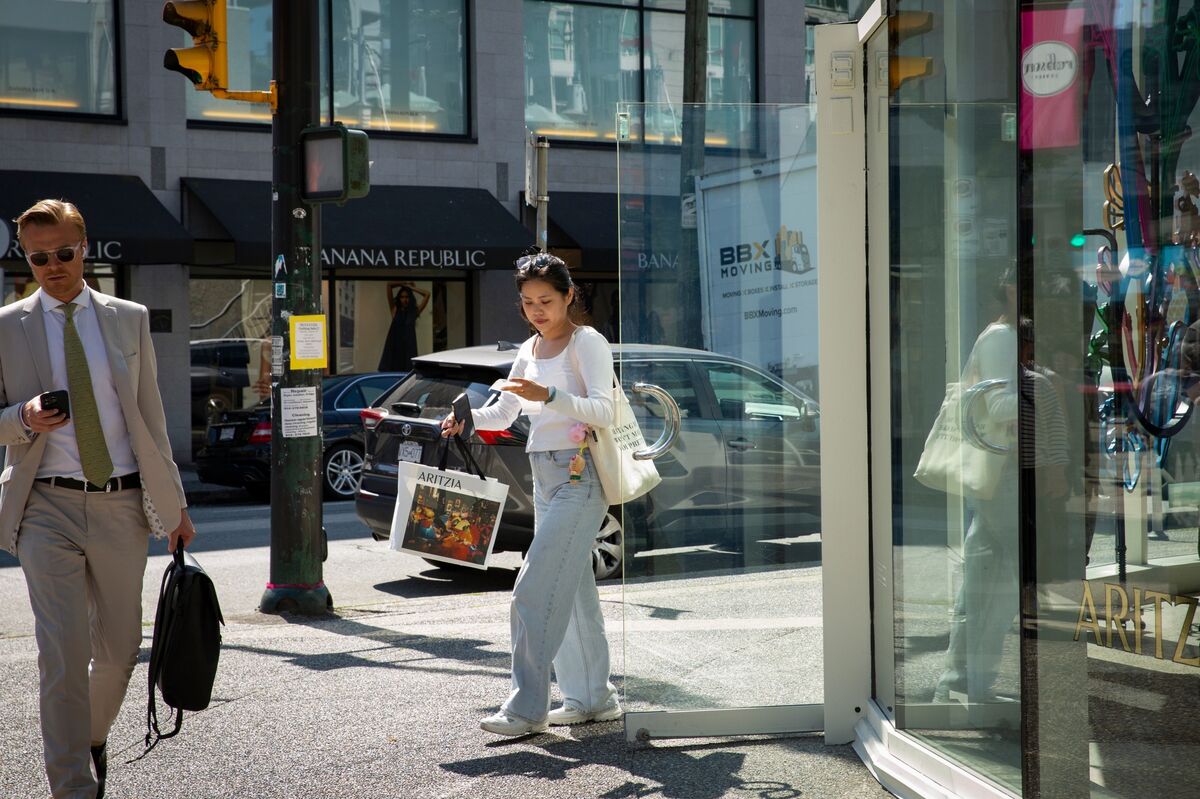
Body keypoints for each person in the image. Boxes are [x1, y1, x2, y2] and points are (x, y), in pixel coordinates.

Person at [0, 199, 196, 798]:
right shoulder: (8, 325)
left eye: (63, 253)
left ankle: (89, 736)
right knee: (62, 653)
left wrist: (176, 506)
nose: (53, 266)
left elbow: (151, 417)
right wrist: (23, 416)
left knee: (119, 650)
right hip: (44, 505)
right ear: (25, 258)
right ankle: (72, 788)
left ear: (86, 247)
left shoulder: (128, 317)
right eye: (39, 257)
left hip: (121, 503)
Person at [442, 252, 620, 736]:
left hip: (581, 476)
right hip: (544, 473)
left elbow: (605, 410)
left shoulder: (588, 343)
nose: (537, 310)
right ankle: (594, 698)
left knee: (533, 589)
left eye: (546, 300)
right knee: (574, 590)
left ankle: (527, 708)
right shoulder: (530, 349)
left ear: (568, 296)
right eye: (527, 302)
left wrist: (551, 398)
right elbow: (504, 413)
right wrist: (469, 418)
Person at [378, 282, 430, 371]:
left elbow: (427, 294)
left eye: (407, 297)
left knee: (407, 374)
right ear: (399, 298)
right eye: (402, 297)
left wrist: (411, 288)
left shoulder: (414, 312)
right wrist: (404, 284)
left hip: (409, 349)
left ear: (410, 298)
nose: (404, 299)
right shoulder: (394, 310)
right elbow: (389, 285)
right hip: (394, 347)